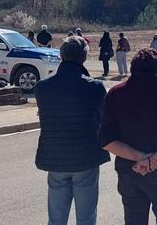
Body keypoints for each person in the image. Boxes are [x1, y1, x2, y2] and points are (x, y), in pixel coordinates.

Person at [99, 48, 157, 225]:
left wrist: (140, 158)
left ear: (133, 66)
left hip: (130, 171)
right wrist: (154, 159)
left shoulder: (115, 93)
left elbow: (106, 139)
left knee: (134, 220)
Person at [35, 36, 110, 225]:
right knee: (86, 218)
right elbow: (104, 120)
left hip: (55, 157)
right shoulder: (94, 87)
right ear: (84, 58)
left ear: (61, 56)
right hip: (85, 157)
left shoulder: (43, 88)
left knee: (56, 218)